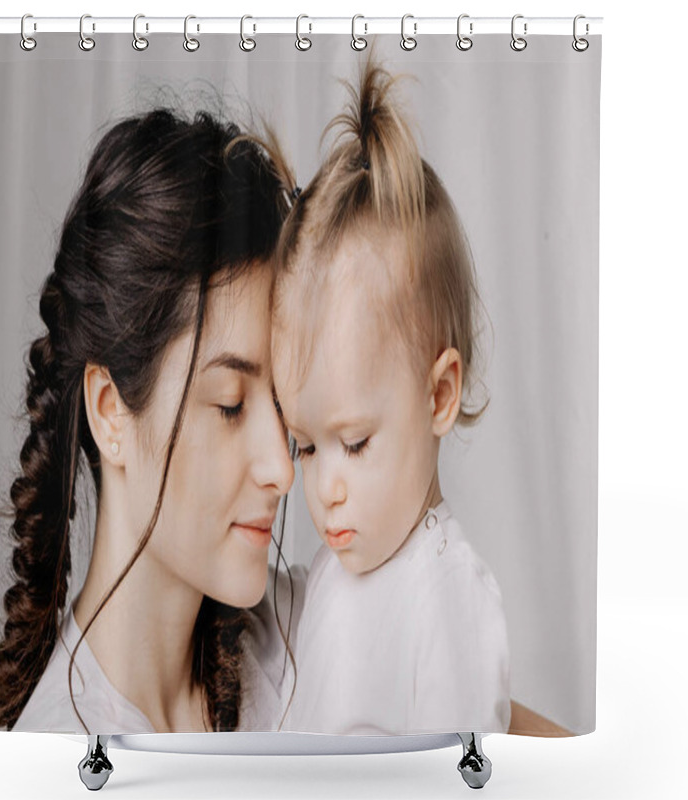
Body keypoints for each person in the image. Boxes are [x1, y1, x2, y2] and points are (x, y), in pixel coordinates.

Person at [0, 106, 303, 734]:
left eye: (284, 403)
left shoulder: (295, 640)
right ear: (111, 412)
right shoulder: (59, 763)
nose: (283, 467)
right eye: (231, 404)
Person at [266, 57, 511, 735]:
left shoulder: (448, 597)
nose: (324, 489)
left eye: (355, 443)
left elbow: (463, 772)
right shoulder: (328, 576)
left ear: (438, 396)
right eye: (307, 446)